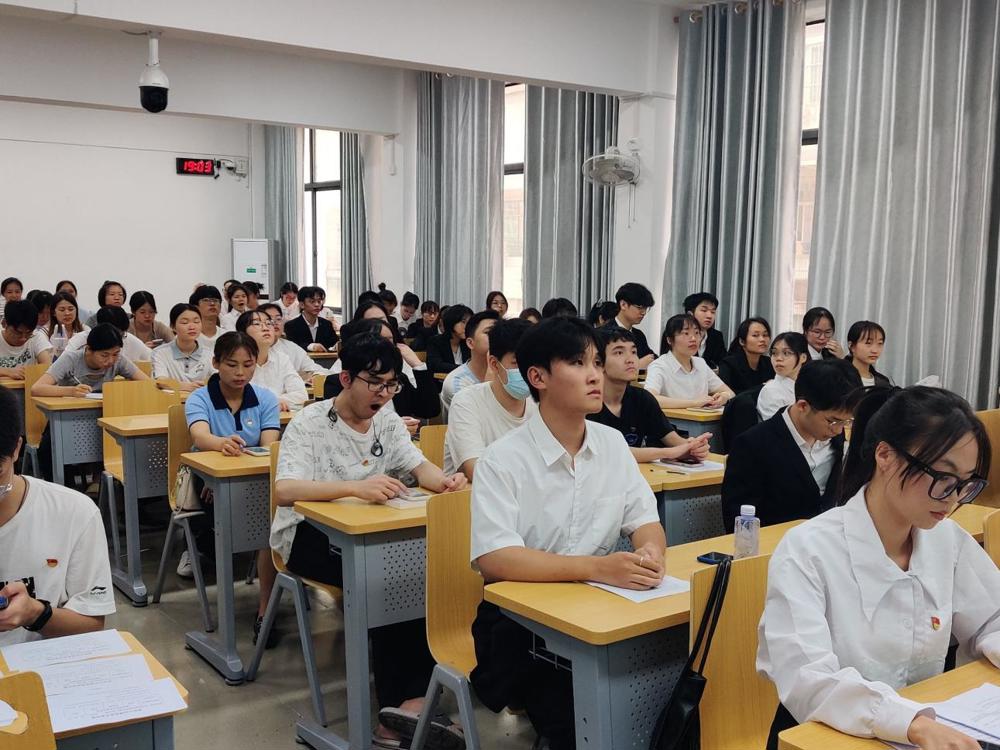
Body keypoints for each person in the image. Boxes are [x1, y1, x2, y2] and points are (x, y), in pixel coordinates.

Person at [758, 386, 1000, 750]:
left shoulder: (947, 540)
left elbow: (993, 619)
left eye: (965, 484)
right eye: (942, 478)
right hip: (826, 735)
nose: (952, 499)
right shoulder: (808, 549)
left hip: (923, 729)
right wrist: (910, 723)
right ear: (885, 455)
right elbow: (809, 678)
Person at [470, 317, 666, 750]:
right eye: (578, 363)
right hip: (519, 624)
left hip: (598, 608)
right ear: (538, 377)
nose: (595, 374)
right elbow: (496, 559)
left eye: (596, 361)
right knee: (578, 715)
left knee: (667, 679)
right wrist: (597, 568)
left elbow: (645, 520)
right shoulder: (503, 460)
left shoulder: (612, 444)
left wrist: (651, 553)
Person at [271, 333, 467, 748]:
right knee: (387, 582)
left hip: (370, 533)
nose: (383, 393)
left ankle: (411, 704)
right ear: (346, 379)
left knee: (419, 575)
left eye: (391, 384)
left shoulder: (388, 420)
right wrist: (354, 488)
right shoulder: (311, 422)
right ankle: (401, 710)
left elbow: (418, 465)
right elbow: (285, 490)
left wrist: (445, 483)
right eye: (375, 383)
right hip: (307, 534)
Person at [0, 385, 115, 646]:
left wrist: (36, 614)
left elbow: (92, 625)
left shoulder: (74, 512)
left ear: (16, 449)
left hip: (37, 663)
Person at [185, 332, 281, 640]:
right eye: (231, 364)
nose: (240, 373)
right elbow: (200, 437)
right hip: (208, 482)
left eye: (248, 365)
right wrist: (220, 446)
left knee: (272, 524)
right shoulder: (200, 398)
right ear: (215, 363)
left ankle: (265, 609)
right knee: (264, 524)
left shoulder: (265, 398)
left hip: (256, 482)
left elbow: (269, 448)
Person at [721, 359, 860, 531]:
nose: (839, 430)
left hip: (826, 539)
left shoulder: (836, 439)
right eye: (833, 421)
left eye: (847, 421)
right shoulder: (752, 445)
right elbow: (738, 524)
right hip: (777, 542)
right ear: (803, 406)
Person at [33, 324, 148, 483]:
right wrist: (70, 391)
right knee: (49, 450)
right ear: (89, 350)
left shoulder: (119, 361)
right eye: (104, 355)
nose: (111, 360)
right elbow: (37, 388)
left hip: (104, 420)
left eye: (115, 354)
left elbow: (147, 384)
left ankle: (101, 485)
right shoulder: (71, 359)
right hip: (67, 420)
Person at [589, 328, 711, 463]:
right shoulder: (587, 402)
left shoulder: (642, 398)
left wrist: (693, 447)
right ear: (598, 362)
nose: (630, 359)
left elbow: (674, 441)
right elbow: (608, 452)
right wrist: (668, 452)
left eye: (634, 352)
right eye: (619, 353)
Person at [443, 319, 537, 478]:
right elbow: (475, 470)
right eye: (517, 363)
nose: (528, 371)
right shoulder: (466, 402)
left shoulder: (541, 401)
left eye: (534, 363)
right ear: (494, 364)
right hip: (473, 492)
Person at [644, 313, 734, 409]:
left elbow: (730, 393)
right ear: (670, 340)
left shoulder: (700, 363)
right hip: (673, 418)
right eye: (686, 333)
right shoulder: (659, 365)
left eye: (697, 333)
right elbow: (650, 398)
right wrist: (694, 403)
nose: (693, 338)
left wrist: (724, 397)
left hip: (703, 417)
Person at [235, 310, 307, 411]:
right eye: (257, 324)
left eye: (269, 323)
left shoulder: (281, 359)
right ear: (243, 333)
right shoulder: (236, 363)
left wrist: (274, 401)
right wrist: (273, 402)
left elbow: (301, 395)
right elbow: (236, 399)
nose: (265, 328)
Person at [440, 309, 499, 410]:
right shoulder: (457, 383)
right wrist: (489, 383)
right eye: (488, 332)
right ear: (471, 343)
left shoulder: (508, 372)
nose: (497, 337)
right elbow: (482, 416)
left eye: (499, 332)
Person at [151, 303, 214, 391]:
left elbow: (218, 379)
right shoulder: (160, 353)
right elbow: (161, 381)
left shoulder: (210, 353)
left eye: (196, 322)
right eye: (185, 322)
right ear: (173, 327)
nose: (192, 327)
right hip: (172, 398)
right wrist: (185, 386)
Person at [257, 303, 327, 382]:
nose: (275, 323)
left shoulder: (291, 347)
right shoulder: (252, 350)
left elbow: (315, 369)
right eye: (269, 320)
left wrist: (314, 375)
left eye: (278, 319)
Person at [65, 306, 152, 362]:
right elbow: (64, 363)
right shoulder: (80, 341)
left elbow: (153, 358)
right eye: (116, 334)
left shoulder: (128, 339)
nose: (119, 339)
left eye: (122, 334)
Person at [757, 332, 809, 420]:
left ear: (803, 357)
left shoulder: (809, 384)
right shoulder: (771, 391)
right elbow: (778, 427)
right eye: (774, 353)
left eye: (786, 353)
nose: (778, 358)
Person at [603, 282, 656, 368]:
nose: (643, 312)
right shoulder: (603, 334)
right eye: (639, 307)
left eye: (646, 308)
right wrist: (637, 365)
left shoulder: (639, 335)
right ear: (623, 305)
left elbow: (651, 358)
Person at [718, 317, 775, 394]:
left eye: (765, 335)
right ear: (742, 341)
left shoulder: (769, 362)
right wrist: (763, 387)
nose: (762, 339)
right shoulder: (729, 364)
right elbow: (728, 394)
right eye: (755, 335)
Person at [0, 301, 53, 378]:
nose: (23, 338)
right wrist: (7, 372)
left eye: (28, 333)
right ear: (4, 323)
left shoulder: (35, 336)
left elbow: (47, 365)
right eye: (18, 333)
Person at [285, 286, 339, 352]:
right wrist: (311, 346)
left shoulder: (326, 324)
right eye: (312, 301)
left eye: (319, 301)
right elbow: (292, 347)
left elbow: (334, 344)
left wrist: (336, 346)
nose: (317, 305)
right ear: (302, 305)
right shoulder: (291, 325)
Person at [683, 292, 727, 369]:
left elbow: (724, 364)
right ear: (690, 314)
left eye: (713, 312)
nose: (709, 316)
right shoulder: (678, 334)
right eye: (704, 310)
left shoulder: (716, 336)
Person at [426, 304, 473, 376]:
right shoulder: (435, 341)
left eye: (469, 323)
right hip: (442, 381)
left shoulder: (468, 343)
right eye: (463, 322)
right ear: (452, 321)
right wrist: (464, 368)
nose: (467, 326)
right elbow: (436, 365)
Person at [846, 320, 891, 388]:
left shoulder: (883, 382)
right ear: (851, 346)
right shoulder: (839, 377)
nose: (875, 350)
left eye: (880, 343)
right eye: (868, 343)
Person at [45, 291, 87, 358]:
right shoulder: (45, 332)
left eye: (71, 309)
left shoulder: (85, 329)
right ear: (53, 313)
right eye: (62, 310)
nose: (67, 313)